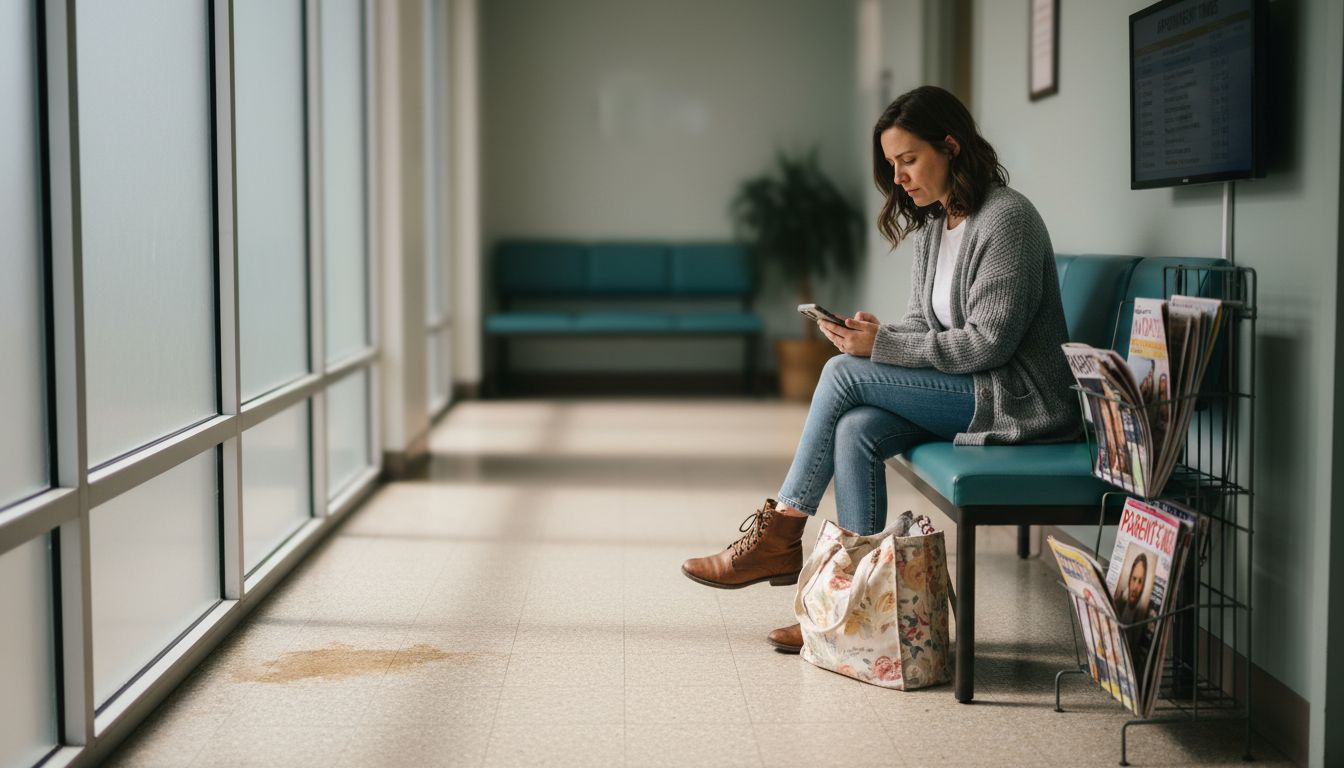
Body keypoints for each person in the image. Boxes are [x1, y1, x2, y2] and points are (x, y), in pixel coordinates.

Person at [681, 85, 1081, 652]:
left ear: (952, 146)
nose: (898, 178)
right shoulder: (934, 225)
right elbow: (924, 324)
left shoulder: (1007, 219)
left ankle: (782, 532)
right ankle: (852, 606)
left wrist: (878, 350)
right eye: (892, 165)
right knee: (856, 428)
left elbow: (989, 344)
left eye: (908, 160)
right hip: (969, 388)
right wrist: (878, 334)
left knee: (843, 375)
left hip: (1017, 399)